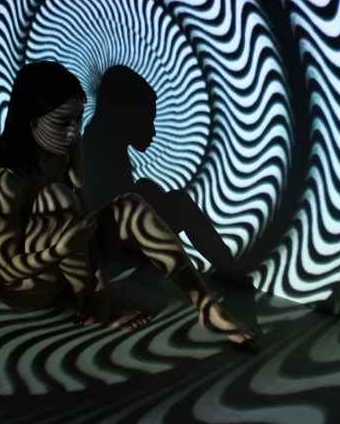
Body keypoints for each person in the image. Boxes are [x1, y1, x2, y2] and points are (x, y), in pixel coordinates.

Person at [0, 61, 257, 347]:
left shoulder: (67, 148)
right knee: (57, 197)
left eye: (77, 120)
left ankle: (207, 308)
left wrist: (97, 279)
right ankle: (95, 307)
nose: (74, 132)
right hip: (27, 289)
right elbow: (6, 270)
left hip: (66, 268)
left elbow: (83, 216)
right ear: (31, 121)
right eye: (62, 123)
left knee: (132, 204)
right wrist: (62, 250)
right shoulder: (3, 178)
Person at [83, 65, 253, 288]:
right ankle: (230, 273)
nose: (153, 131)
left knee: (147, 188)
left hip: (109, 246)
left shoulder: (98, 142)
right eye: (147, 120)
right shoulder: (98, 151)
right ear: (126, 114)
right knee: (178, 203)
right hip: (104, 254)